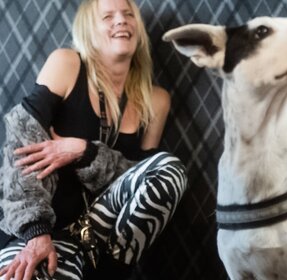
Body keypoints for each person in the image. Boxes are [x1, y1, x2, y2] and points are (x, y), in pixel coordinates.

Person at [0, 0, 188, 279]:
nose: (121, 21)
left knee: (169, 169)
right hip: (41, 234)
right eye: (108, 16)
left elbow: (143, 182)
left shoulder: (156, 100)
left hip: (102, 244)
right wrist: (36, 233)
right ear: (89, 30)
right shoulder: (67, 63)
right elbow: (21, 147)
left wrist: (85, 152)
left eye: (127, 15)